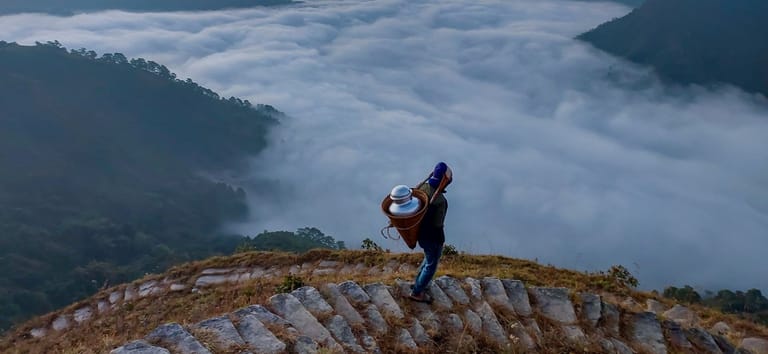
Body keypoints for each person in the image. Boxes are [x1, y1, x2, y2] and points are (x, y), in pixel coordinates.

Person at [408, 161, 451, 303]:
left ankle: (418, 284)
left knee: (428, 259)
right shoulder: (441, 201)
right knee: (431, 265)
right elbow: (438, 223)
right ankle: (417, 292)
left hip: (420, 233)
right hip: (433, 237)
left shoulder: (422, 188)